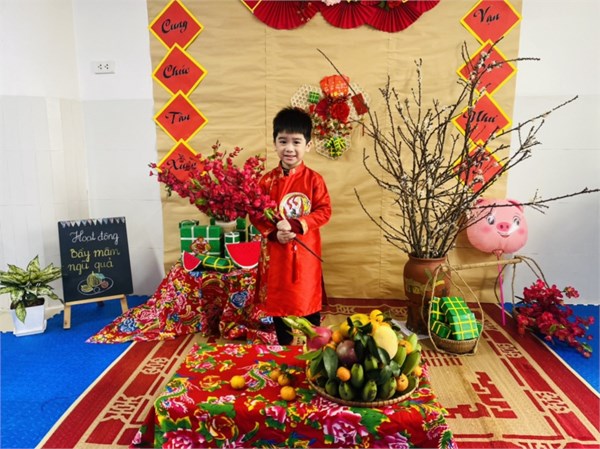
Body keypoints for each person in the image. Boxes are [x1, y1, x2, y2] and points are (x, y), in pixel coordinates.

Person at [251, 107, 332, 345]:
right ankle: (285, 347)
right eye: (283, 141)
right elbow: (256, 215)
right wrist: (274, 234)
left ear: (308, 145)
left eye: (296, 142)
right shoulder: (266, 181)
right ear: (274, 143)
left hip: (306, 255)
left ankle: (315, 346)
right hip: (277, 254)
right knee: (280, 301)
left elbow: (324, 211)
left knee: (308, 299)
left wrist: (297, 224)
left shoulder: (314, 180)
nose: (289, 148)